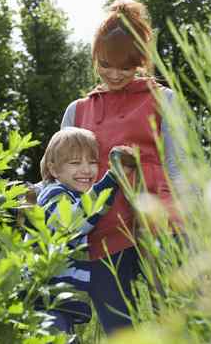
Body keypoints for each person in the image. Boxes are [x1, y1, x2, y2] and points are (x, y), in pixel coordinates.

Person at [61, 0, 183, 335]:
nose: (114, 74)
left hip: (157, 229)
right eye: (105, 64)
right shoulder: (78, 111)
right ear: (95, 58)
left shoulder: (163, 100)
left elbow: (177, 167)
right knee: (120, 330)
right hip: (102, 234)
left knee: (173, 321)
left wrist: (184, 229)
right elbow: (59, 176)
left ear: (141, 61)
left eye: (126, 66)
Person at [30, 126, 135, 339]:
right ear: (54, 169)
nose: (86, 170)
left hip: (58, 300)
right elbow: (74, 221)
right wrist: (111, 179)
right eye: (75, 163)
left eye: (92, 162)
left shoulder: (69, 193)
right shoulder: (54, 195)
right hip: (45, 297)